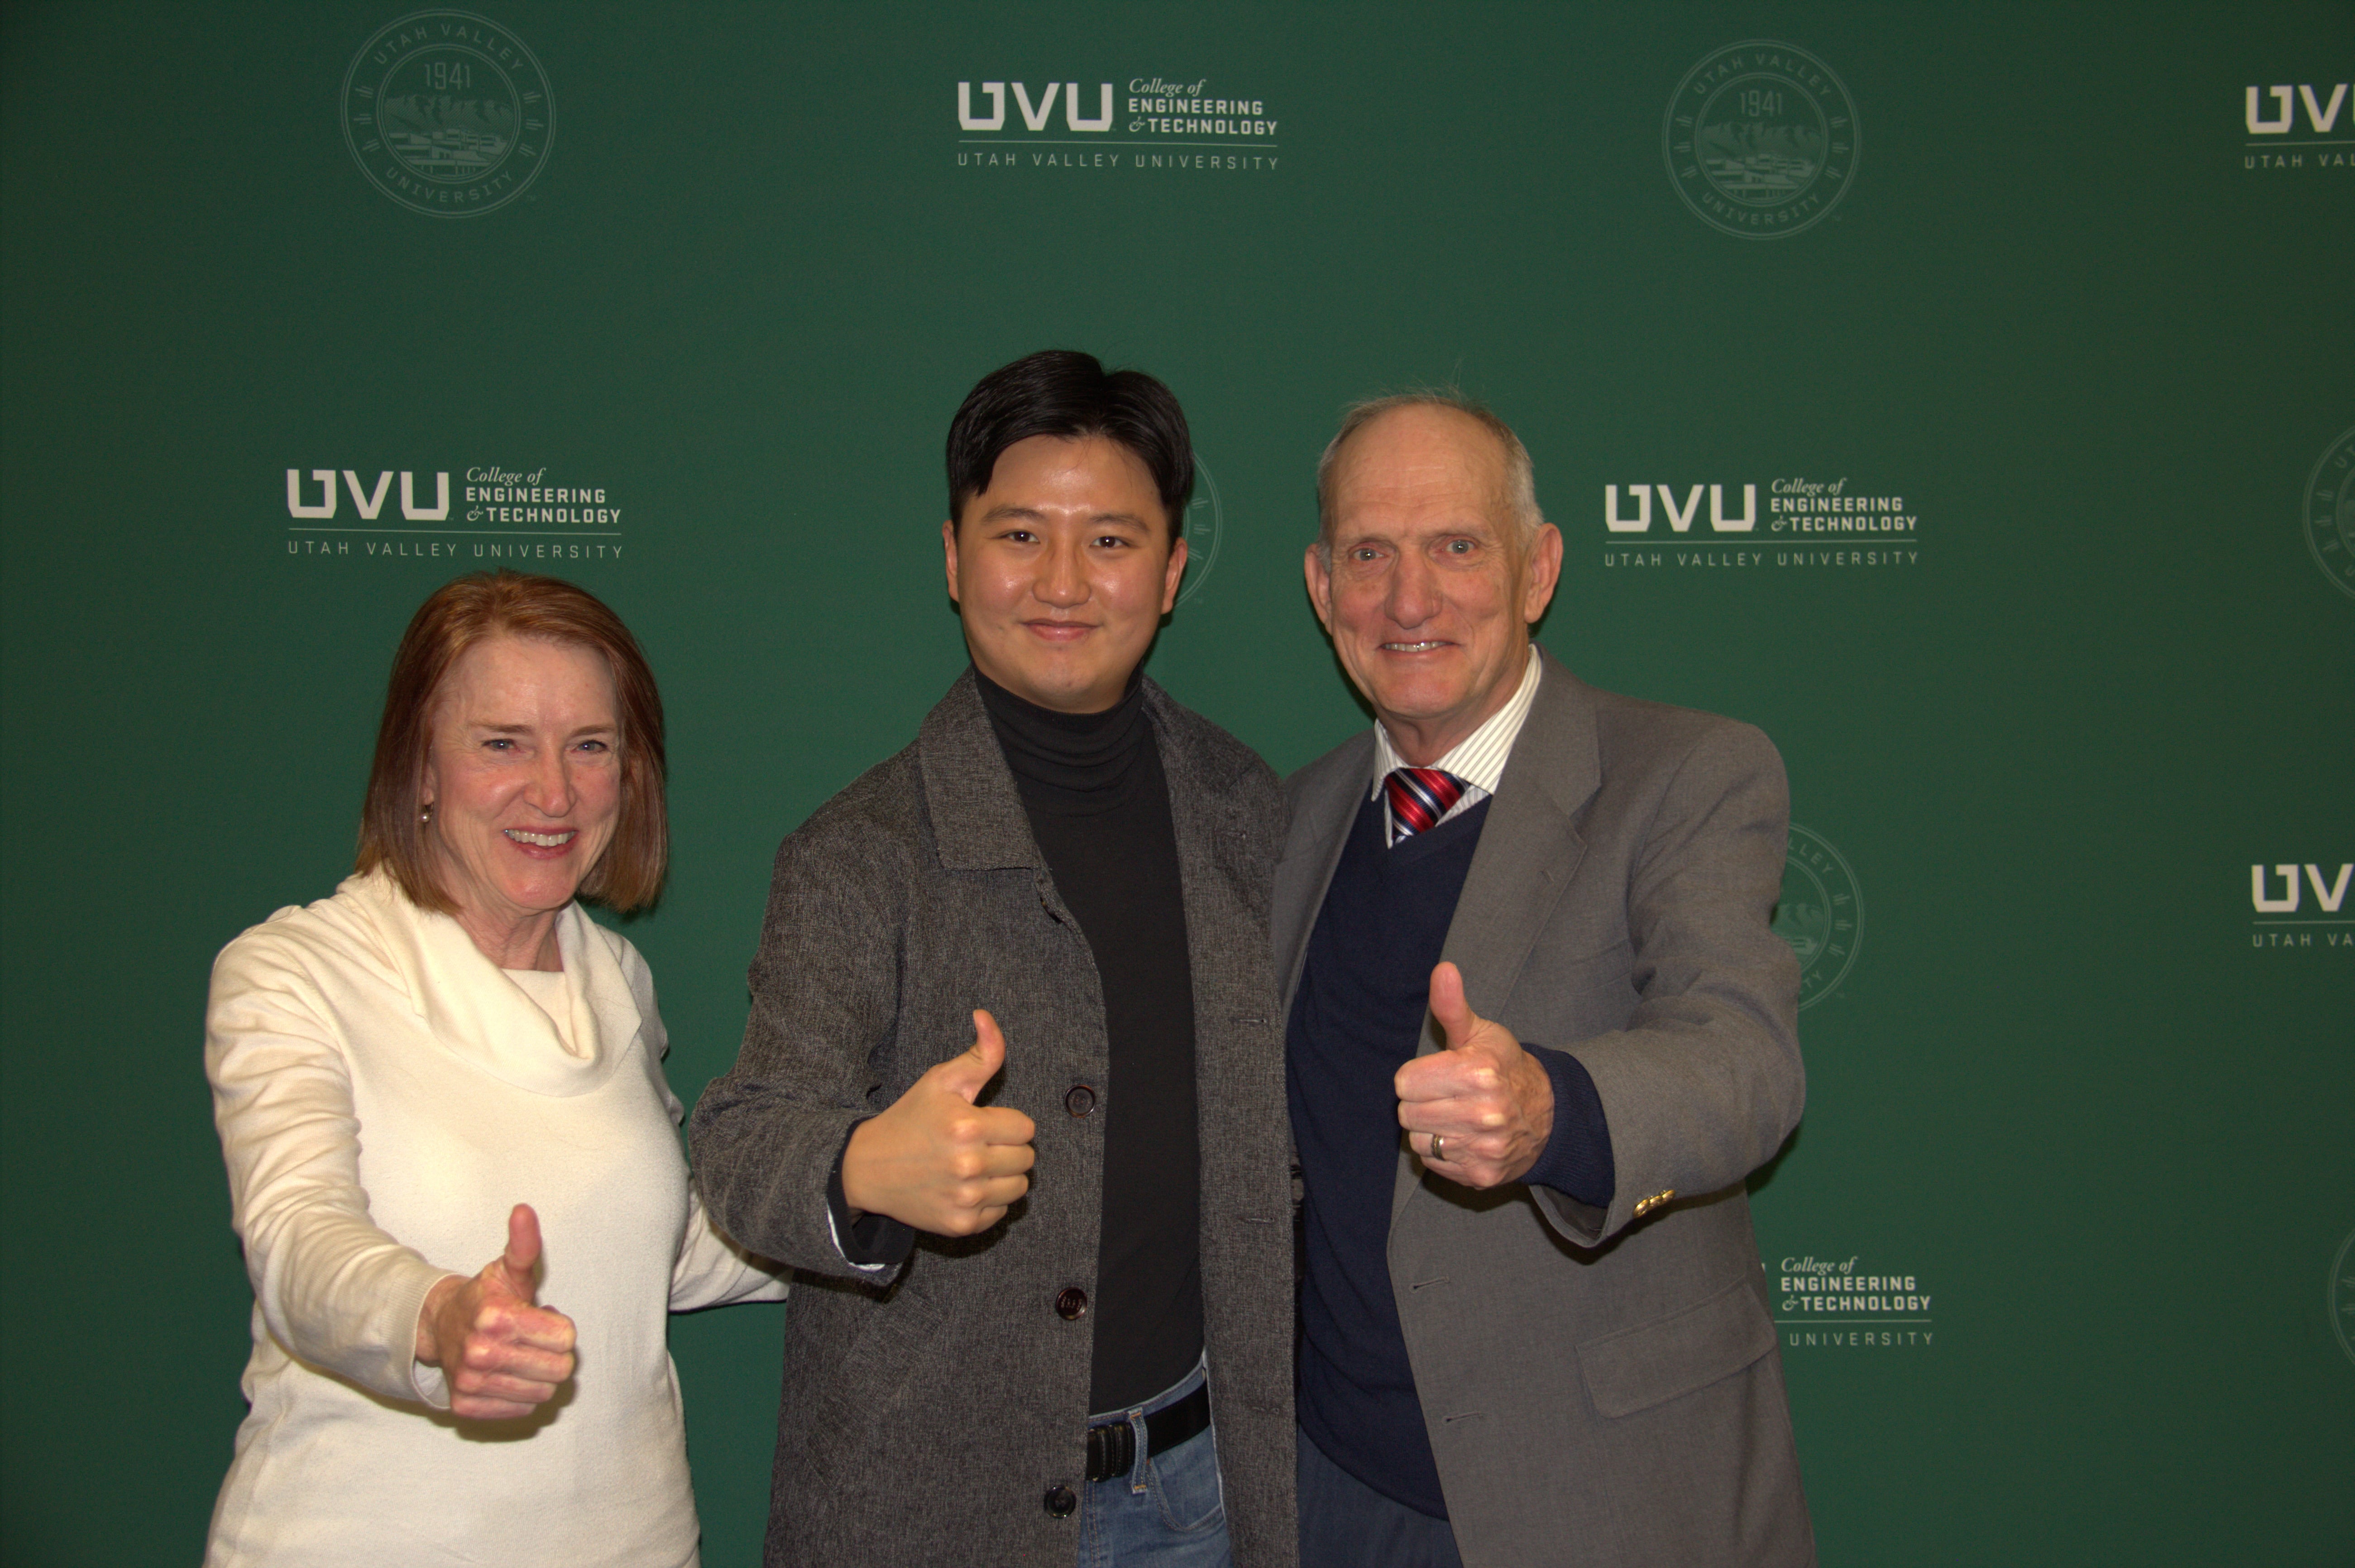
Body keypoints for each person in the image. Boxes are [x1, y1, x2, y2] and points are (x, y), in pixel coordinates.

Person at [689, 350, 1296, 1568]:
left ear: (1173, 572)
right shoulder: (858, 853)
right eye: (1020, 535)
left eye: (1112, 542)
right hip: (926, 1509)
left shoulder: (1250, 815)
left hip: (1204, 1494)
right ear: (954, 556)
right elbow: (742, 1139)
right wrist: (861, 1164)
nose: (1064, 582)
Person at [1276, 396, 1814, 1568]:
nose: (1409, 598)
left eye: (1456, 546)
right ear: (1323, 589)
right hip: (1332, 1497)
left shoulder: (1685, 775)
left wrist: (1552, 1111)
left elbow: (1743, 1061)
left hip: (1605, 1494)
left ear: (1539, 569)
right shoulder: (1286, 822)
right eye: (1370, 553)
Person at [202, 570, 786, 1568]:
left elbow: (658, 1249)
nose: (553, 792)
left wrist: (861, 1191)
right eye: (502, 743)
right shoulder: (293, 971)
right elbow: (300, 1241)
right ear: (420, 766)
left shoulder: (616, 976)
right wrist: (436, 1316)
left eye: (589, 747)